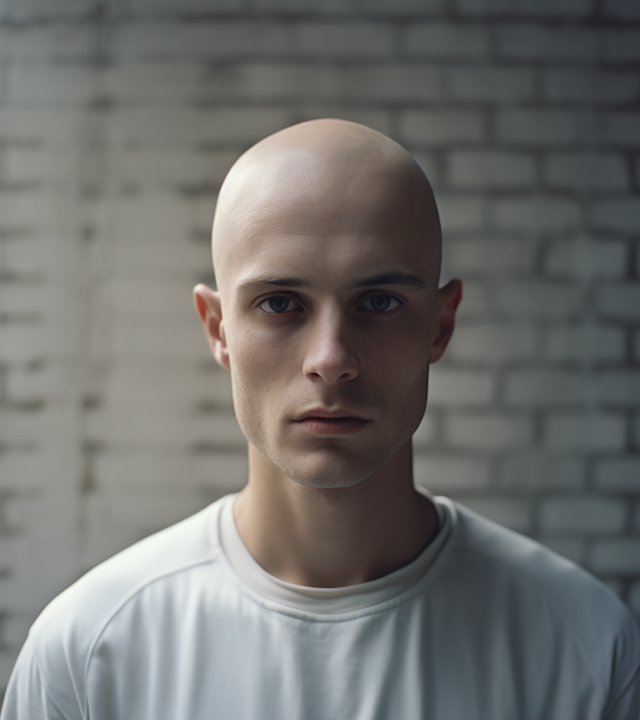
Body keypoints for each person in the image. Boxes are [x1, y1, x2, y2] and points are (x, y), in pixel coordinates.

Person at [2, 118, 639, 719]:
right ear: (219, 329)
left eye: (380, 302)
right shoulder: (88, 651)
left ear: (439, 325)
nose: (331, 361)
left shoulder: (585, 647)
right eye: (280, 303)